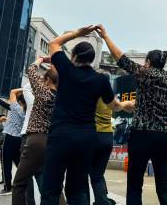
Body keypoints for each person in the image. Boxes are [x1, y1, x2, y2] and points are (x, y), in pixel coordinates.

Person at [40, 27, 131, 205]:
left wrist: (77, 33)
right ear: (92, 59)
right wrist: (130, 105)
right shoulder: (100, 80)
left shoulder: (65, 69)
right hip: (85, 139)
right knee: (77, 189)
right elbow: (116, 106)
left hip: (61, 136)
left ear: (73, 56)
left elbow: (54, 43)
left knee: (51, 188)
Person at [97, 24, 167, 205]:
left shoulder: (145, 74)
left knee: (134, 185)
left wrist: (105, 36)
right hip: (164, 136)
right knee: (164, 187)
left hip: (142, 135)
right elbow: (149, 103)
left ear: (148, 63)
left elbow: (120, 58)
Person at [12, 57, 63, 205]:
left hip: (36, 140)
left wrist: (39, 61)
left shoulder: (43, 93)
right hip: (53, 142)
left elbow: (31, 70)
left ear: (47, 80)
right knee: (52, 184)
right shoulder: (62, 98)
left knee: (19, 183)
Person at [90, 79, 134, 205]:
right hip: (108, 137)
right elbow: (119, 106)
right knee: (99, 173)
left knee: (93, 175)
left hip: (95, 135)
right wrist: (129, 104)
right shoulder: (109, 97)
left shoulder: (94, 95)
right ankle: (103, 198)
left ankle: (103, 201)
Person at [0, 89, 27, 194]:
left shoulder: (16, 107)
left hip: (9, 138)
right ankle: (25, 185)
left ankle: (7, 187)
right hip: (20, 140)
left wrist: (26, 88)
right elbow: (5, 104)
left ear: (19, 101)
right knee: (19, 163)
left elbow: (12, 91)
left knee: (6, 163)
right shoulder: (28, 112)